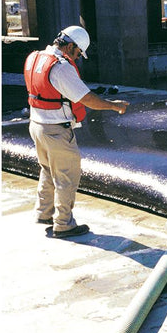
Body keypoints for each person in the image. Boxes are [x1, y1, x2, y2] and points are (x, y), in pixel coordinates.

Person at [24, 25, 130, 238]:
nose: (78, 57)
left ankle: (44, 213)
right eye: (78, 52)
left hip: (36, 125)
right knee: (66, 176)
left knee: (47, 169)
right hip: (56, 130)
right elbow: (87, 99)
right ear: (70, 46)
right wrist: (113, 105)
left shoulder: (35, 57)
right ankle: (64, 224)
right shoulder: (61, 67)